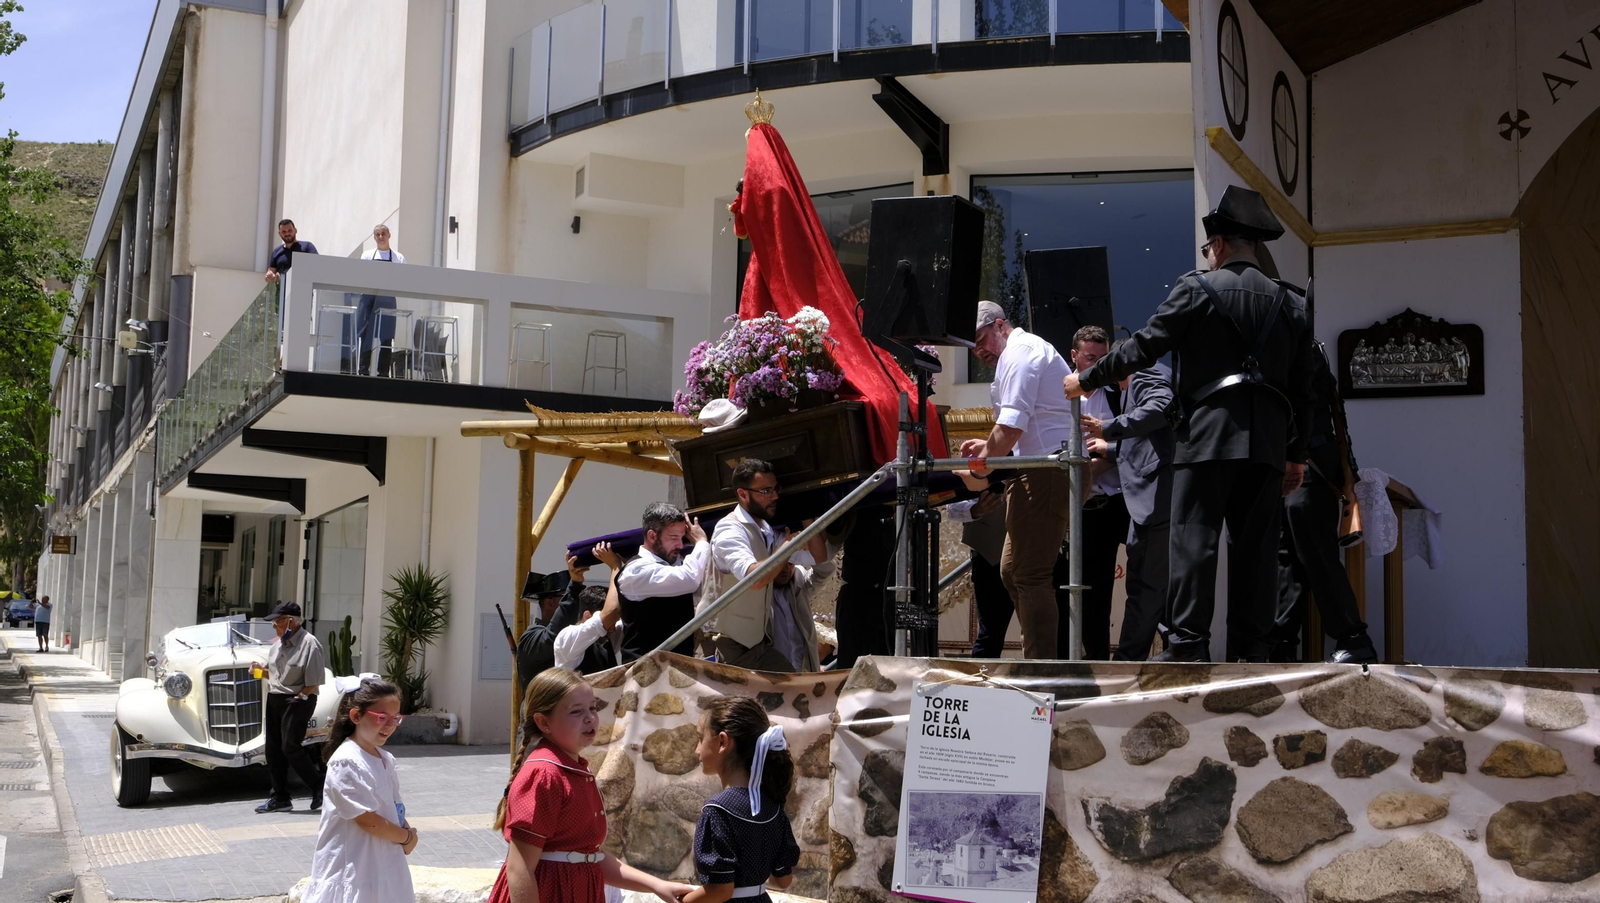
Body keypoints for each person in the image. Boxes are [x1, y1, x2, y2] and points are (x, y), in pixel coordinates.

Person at [1064, 186, 1317, 663]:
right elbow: (1305, 389)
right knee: (1257, 553)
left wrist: (1087, 378)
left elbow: (1144, 346)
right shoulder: (1292, 302)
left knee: (1195, 544)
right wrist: (1295, 456)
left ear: (1218, 244)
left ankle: (1188, 650)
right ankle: (1251, 657)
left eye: (1209, 248)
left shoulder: (1197, 289)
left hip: (1205, 440)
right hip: (1265, 445)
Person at [489, 668, 693, 903]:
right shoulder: (544, 774)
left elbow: (589, 857)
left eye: (593, 708)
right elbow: (519, 869)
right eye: (576, 711)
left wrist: (657, 885)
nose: (590, 718)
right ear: (544, 722)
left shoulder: (576, 770)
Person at [961, 301, 1077, 660]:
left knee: (1028, 574)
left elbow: (1011, 426)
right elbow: (1019, 428)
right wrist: (988, 450)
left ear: (1000, 325)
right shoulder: (1018, 353)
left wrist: (982, 466)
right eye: (971, 346)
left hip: (1047, 470)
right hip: (1039, 468)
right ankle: (1041, 662)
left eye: (980, 339)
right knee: (1013, 571)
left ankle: (1041, 670)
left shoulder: (1021, 352)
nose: (978, 351)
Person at [1270, 345, 1378, 664]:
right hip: (1295, 464)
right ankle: (1281, 645)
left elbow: (1295, 404)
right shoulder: (1300, 347)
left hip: (1308, 464)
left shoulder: (1302, 350)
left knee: (1316, 555)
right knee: (1287, 559)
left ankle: (1354, 639)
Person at [1081, 356, 1177, 662]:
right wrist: (1110, 449)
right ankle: (1172, 650)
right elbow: (1148, 442)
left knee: (1145, 585)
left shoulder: (1145, 374)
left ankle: (1128, 662)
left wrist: (1107, 428)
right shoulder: (1146, 378)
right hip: (1153, 499)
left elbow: (1160, 408)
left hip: (1153, 499)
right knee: (1154, 585)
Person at [710, 459, 831, 672]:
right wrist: (787, 547)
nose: (775, 496)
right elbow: (754, 580)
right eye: (766, 491)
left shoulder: (766, 531)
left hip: (758, 644)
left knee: (791, 683)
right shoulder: (729, 530)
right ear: (743, 494)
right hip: (731, 645)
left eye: (775, 489)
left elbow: (818, 556)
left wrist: (805, 516)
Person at [304, 676, 416, 903]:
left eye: (395, 718)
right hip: (354, 868)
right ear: (356, 716)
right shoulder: (347, 761)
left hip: (382, 862)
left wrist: (404, 828)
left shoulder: (385, 758)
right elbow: (367, 820)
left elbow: (392, 805)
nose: (390, 725)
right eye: (382, 718)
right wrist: (406, 838)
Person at [682, 696, 800, 903]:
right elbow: (784, 880)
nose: (697, 750)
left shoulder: (717, 810)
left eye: (700, 738)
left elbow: (721, 890)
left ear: (722, 742)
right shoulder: (773, 808)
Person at [1068, 326, 1131, 660]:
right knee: (1092, 594)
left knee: (1146, 579)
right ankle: (1094, 663)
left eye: (1104, 359)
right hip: (1084, 506)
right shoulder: (1062, 395)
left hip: (1121, 500)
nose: (1099, 366)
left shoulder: (1118, 393)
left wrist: (1100, 462)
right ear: (1074, 356)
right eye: (1091, 358)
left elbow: (1135, 443)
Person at [615, 503, 712, 662]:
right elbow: (689, 578)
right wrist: (701, 542)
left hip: (678, 667)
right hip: (645, 670)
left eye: (682, 537)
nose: (680, 545)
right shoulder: (636, 571)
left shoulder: (676, 563)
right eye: (673, 538)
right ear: (652, 536)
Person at [257, 601, 328, 813]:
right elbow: (276, 675)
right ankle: (280, 798)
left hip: (298, 699)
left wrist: (300, 697)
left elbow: (314, 680)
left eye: (278, 621)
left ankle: (319, 786)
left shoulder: (310, 644)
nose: (274, 626)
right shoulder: (276, 646)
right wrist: (260, 670)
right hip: (275, 699)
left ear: (291, 621)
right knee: (273, 750)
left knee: (290, 746)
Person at [946, 487, 1011, 658]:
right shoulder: (972, 471)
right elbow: (952, 508)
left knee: (1045, 631)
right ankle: (982, 674)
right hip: (991, 557)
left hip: (1036, 555)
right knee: (990, 635)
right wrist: (976, 510)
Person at [552, 544, 624, 674]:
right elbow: (612, 611)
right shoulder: (568, 637)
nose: (613, 629)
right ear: (587, 616)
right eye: (611, 623)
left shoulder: (606, 639)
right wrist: (615, 566)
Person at [516, 556, 586, 683]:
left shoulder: (573, 632)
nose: (575, 603)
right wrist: (575, 587)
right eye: (565, 597)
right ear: (549, 603)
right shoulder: (531, 637)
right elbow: (554, 637)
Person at [356, 225, 405, 377]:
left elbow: (403, 279)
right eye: (377, 234)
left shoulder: (398, 258)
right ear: (374, 237)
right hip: (368, 298)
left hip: (388, 298)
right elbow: (362, 276)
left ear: (389, 235)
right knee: (365, 333)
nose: (380, 237)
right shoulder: (367, 255)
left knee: (387, 335)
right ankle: (363, 370)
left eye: (383, 233)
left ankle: (383, 372)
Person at [265, 219, 318, 284]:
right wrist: (269, 276)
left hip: (304, 287)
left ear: (295, 230)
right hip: (282, 289)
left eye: (290, 230)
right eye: (283, 232)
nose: (287, 233)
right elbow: (270, 274)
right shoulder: (276, 252)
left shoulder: (307, 246)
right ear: (279, 234)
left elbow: (317, 265)